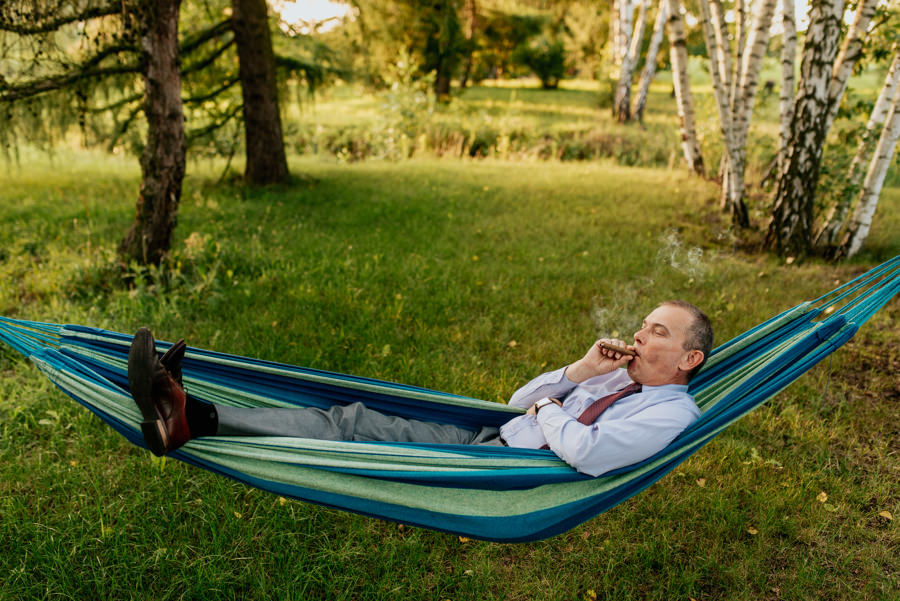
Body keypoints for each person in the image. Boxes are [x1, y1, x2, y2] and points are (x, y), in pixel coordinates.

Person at [128, 300, 713, 477]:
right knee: (351, 415)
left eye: (655, 333)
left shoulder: (672, 414)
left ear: (690, 357)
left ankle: (191, 416)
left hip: (502, 469)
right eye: (642, 326)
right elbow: (513, 403)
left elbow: (590, 453)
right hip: (493, 432)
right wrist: (580, 373)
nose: (638, 336)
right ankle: (187, 415)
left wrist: (546, 407)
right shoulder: (615, 374)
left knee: (349, 430)